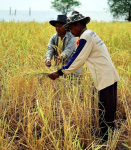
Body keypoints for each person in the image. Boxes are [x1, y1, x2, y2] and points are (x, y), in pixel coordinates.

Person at [48, 13, 120, 141]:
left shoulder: (85, 37)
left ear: (78, 24)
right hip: (108, 76)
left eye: (71, 27)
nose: (70, 31)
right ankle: (110, 137)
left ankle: (107, 141)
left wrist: (59, 72)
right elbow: (79, 54)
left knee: (105, 111)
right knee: (108, 109)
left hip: (105, 78)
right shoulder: (90, 33)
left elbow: (77, 59)